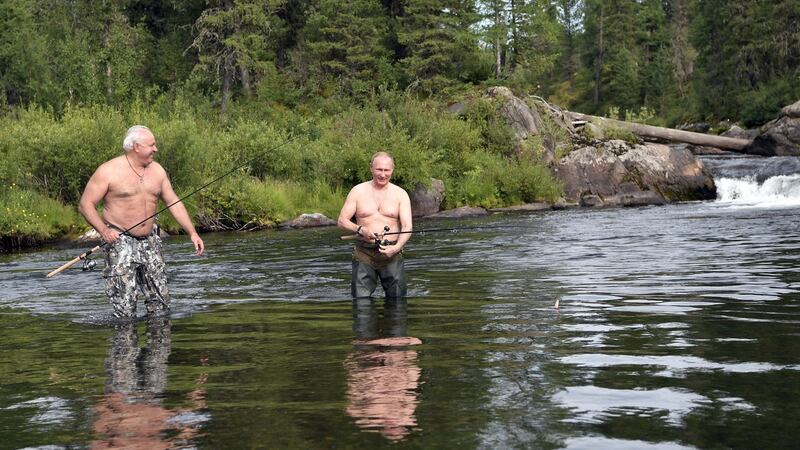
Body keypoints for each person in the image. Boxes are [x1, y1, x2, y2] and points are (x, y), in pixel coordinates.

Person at [79, 125, 204, 319]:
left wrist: (192, 232)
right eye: (151, 145)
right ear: (136, 147)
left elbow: (173, 201)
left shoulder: (157, 171)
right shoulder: (108, 171)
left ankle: (160, 347)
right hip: (119, 243)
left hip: (150, 242)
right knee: (125, 310)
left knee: (161, 306)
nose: (156, 149)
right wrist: (104, 231)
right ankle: (126, 348)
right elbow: (86, 204)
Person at [337, 151, 412, 298]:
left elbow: (407, 227)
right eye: (379, 169)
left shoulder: (400, 194)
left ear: (392, 170)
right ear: (371, 168)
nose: (382, 174)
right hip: (363, 252)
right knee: (361, 301)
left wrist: (396, 248)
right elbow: (342, 221)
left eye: (386, 170)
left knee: (397, 300)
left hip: (392, 252)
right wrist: (360, 229)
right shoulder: (357, 191)